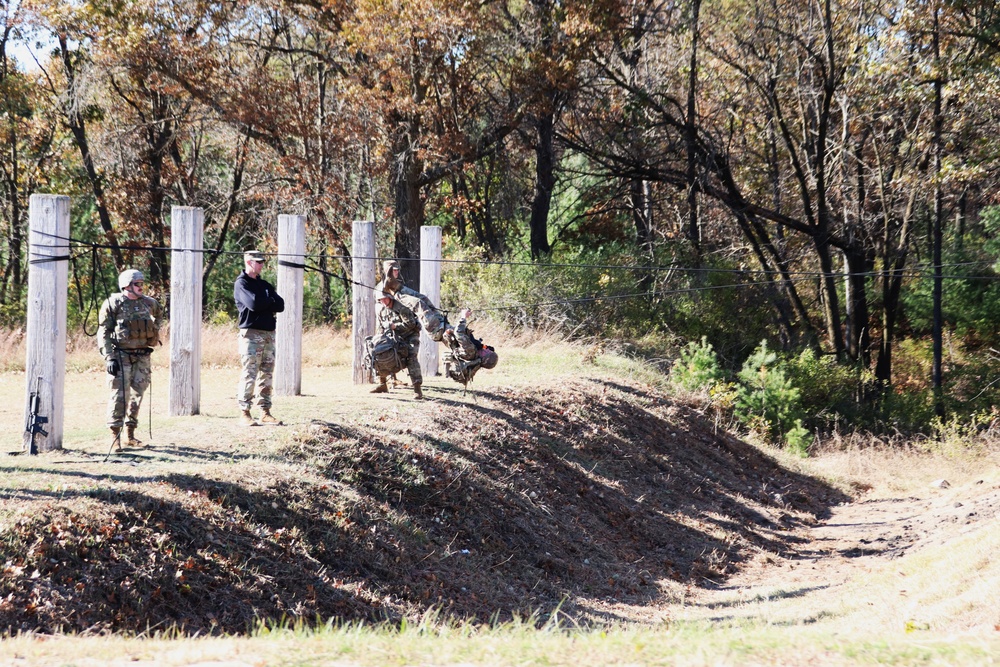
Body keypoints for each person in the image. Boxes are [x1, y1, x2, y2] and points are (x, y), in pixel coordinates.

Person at [97, 269, 163, 450]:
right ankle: (114, 437)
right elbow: (103, 331)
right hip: (121, 355)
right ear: (126, 285)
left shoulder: (149, 303)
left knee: (137, 395)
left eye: (142, 284)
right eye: (137, 284)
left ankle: (130, 434)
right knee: (119, 396)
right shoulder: (113, 304)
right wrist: (109, 357)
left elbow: (160, 315)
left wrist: (154, 331)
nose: (141, 287)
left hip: (142, 355)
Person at [234, 250, 285, 426]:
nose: (262, 264)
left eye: (263, 261)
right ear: (249, 262)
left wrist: (267, 300)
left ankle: (265, 411)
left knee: (267, 373)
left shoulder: (264, 284)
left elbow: (280, 304)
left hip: (269, 333)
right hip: (251, 334)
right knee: (250, 373)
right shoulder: (242, 284)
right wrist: (268, 301)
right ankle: (245, 412)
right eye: (259, 261)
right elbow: (253, 304)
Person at [372, 290, 424, 399]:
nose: (383, 301)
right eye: (381, 300)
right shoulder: (382, 310)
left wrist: (395, 326)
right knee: (379, 353)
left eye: (385, 298)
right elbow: (381, 327)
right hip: (393, 336)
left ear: (390, 298)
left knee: (411, 357)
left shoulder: (402, 308)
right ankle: (382, 384)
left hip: (410, 336)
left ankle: (417, 389)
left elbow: (411, 324)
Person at [442, 308, 498, 386]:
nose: (487, 350)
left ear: (484, 356)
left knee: (420, 302)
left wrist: (463, 317)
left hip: (438, 329)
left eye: (487, 352)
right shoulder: (475, 355)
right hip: (444, 330)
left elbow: (458, 333)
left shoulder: (471, 350)